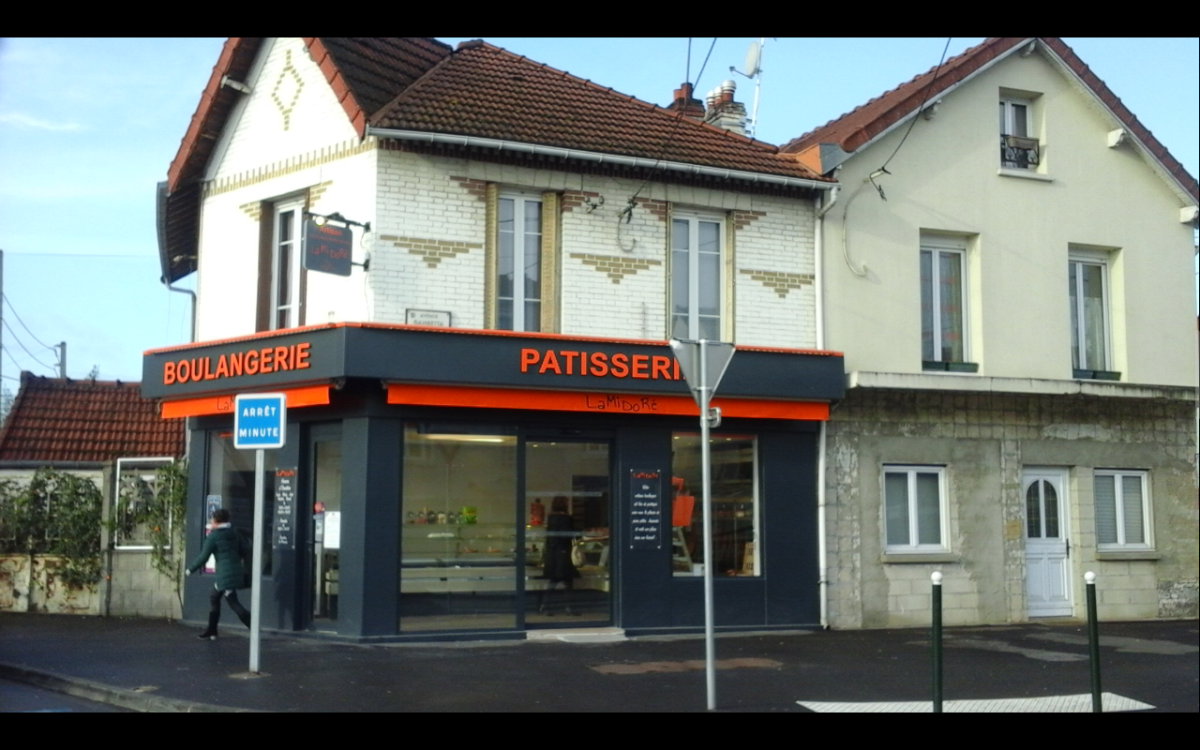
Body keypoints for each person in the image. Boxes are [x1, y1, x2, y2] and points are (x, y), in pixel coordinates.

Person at [186, 508, 251, 640]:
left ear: (216, 521)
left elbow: (203, 556)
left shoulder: (214, 536)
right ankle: (212, 630)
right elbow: (246, 549)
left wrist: (190, 570)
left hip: (224, 575)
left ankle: (253, 627)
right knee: (214, 596)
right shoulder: (235, 532)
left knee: (233, 602)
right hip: (236, 571)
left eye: (212, 519)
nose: (211, 521)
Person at [539, 496, 580, 615]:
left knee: (553, 582)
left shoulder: (551, 518)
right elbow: (568, 535)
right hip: (563, 553)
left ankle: (545, 606)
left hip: (552, 554)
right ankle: (569, 608)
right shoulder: (566, 518)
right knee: (568, 583)